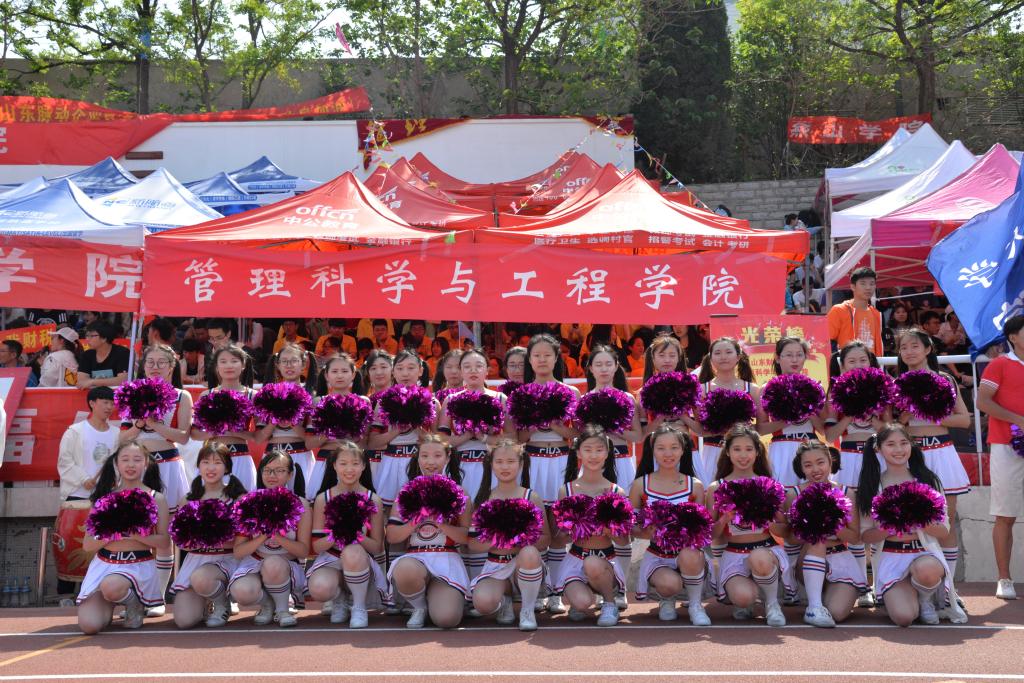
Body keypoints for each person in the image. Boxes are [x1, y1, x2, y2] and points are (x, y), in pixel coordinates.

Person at [856, 424, 964, 626]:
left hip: (924, 554)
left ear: (911, 445)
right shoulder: (871, 485)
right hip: (891, 557)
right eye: (891, 444)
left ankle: (925, 599)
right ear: (878, 448)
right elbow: (865, 536)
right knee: (904, 618)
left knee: (926, 570)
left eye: (904, 443)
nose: (899, 449)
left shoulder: (928, 480)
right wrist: (890, 526)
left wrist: (918, 521)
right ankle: (903, 595)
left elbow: (944, 530)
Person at [896, 328, 970, 605]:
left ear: (928, 349)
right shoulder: (897, 384)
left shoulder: (945, 379)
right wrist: (905, 416)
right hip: (910, 455)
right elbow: (892, 427)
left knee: (945, 523)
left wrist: (930, 413)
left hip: (941, 451)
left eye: (915, 346)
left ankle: (948, 589)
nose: (909, 352)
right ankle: (920, 588)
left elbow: (964, 420)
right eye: (904, 347)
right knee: (910, 523)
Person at [118, 344, 193, 615]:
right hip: (138, 468)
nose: (156, 367)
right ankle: (138, 594)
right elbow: (122, 437)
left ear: (172, 367)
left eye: (162, 362)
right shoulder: (131, 393)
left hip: (169, 465)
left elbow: (183, 436)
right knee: (138, 531)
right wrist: (139, 424)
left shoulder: (181, 395)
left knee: (165, 532)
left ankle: (158, 597)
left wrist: (155, 424)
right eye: (150, 362)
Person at [76, 442, 168, 634]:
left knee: (112, 586)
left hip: (137, 565)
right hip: (104, 565)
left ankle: (134, 603)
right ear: (116, 464)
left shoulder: (156, 497)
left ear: (146, 463)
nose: (131, 465)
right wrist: (113, 532)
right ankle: (113, 602)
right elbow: (87, 545)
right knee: (89, 625)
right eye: (125, 459)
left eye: (137, 459)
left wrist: (136, 535)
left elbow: (164, 542)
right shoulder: (104, 498)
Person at [519, 333, 580, 613]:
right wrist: (535, 422)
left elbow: (576, 434)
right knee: (535, 527)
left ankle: (556, 590)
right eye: (536, 355)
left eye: (547, 355)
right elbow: (518, 436)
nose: (542, 360)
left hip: (561, 461)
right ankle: (540, 587)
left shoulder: (570, 393)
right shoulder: (521, 394)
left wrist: (553, 423)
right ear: (529, 360)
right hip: (532, 461)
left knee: (558, 528)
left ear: (557, 358)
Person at [707, 424, 792, 626]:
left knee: (759, 557)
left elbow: (786, 530)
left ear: (757, 452)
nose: (743, 455)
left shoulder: (770, 485)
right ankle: (749, 597)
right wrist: (724, 519)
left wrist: (769, 521)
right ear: (728, 452)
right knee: (743, 598)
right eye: (737, 449)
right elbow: (709, 534)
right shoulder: (716, 488)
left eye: (748, 449)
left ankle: (772, 603)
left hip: (765, 551)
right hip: (734, 553)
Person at [628, 425, 712, 625]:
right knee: (670, 584)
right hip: (658, 555)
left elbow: (702, 529)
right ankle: (667, 598)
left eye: (674, 447)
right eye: (661, 448)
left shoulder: (695, 485)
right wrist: (646, 533)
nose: (668, 454)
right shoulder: (640, 484)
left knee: (690, 554)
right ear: (652, 450)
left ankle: (695, 604)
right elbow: (630, 526)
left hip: (688, 554)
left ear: (683, 450)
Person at [386, 436, 471, 629]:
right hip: (416, 558)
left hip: (447, 558)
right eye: (424, 456)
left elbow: (467, 538)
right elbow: (391, 536)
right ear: (418, 458)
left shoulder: (459, 492)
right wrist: (417, 519)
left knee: (447, 619)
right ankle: (419, 606)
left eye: (437, 455)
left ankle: (448, 599)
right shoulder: (406, 491)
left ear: (448, 457)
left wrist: (439, 521)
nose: (430, 462)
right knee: (405, 569)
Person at [468, 440, 549, 631]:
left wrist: (519, 540)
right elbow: (472, 544)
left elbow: (546, 539)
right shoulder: (483, 498)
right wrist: (500, 540)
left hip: (525, 564)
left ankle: (527, 610)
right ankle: (505, 600)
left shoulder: (531, 497)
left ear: (520, 464)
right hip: (496, 565)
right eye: (499, 462)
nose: (505, 467)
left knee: (529, 553)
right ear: (491, 464)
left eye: (511, 461)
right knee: (482, 603)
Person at [306, 442, 388, 629]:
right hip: (331, 558)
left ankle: (359, 606)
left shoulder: (373, 499)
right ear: (334, 465)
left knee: (352, 551)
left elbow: (377, 547)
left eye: (355, 463)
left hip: (361, 561)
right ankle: (339, 598)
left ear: (364, 466)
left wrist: (356, 534)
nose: (349, 469)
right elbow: (317, 546)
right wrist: (338, 532)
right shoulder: (323, 498)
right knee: (319, 588)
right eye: (343, 463)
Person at [784, 441, 865, 628]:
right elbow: (791, 538)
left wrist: (831, 524)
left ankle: (820, 599)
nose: (815, 469)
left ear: (830, 461)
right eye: (808, 465)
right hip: (808, 557)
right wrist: (813, 526)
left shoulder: (846, 493)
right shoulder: (794, 494)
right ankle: (814, 607)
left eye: (820, 462)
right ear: (801, 468)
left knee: (837, 613)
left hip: (839, 558)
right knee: (817, 539)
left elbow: (854, 537)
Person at [229, 450, 312, 628]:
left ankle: (282, 609)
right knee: (240, 591)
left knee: (273, 563)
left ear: (290, 474)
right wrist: (263, 536)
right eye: (267, 470)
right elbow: (238, 552)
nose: (272, 475)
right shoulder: (248, 502)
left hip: (285, 566)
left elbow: (303, 551)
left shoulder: (301, 504)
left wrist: (277, 536)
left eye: (279, 470)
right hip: (255, 562)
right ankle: (267, 604)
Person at [553, 426, 626, 627]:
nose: (593, 455)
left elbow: (624, 540)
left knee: (593, 563)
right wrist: (570, 530)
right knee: (582, 603)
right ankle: (585, 597)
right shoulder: (566, 490)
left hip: (605, 560)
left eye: (599, 450)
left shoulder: (616, 491)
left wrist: (610, 531)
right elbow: (558, 538)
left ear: (607, 453)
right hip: (576, 558)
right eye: (588, 449)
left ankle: (609, 602)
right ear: (578, 453)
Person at [171, 443, 248, 629]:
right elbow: (180, 542)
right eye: (205, 462)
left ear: (227, 467)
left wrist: (213, 537)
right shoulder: (188, 500)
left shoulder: (238, 499)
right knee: (184, 621)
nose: (211, 468)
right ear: (198, 465)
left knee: (202, 578)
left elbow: (241, 542)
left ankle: (222, 603)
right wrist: (198, 539)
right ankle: (208, 600)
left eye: (217, 462)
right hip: (196, 560)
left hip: (227, 560)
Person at [977, 314, 1024, 600]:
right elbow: (982, 402)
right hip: (1007, 446)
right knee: (1005, 515)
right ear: (1013, 337)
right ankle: (1004, 579)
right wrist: (1019, 420)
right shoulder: (999, 364)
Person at [683, 337, 760, 485]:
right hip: (713, 451)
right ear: (710, 358)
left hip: (743, 453)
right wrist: (682, 415)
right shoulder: (701, 390)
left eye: (728, 352)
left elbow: (760, 428)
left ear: (738, 357)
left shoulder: (752, 389)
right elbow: (700, 430)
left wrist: (742, 430)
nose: (723, 357)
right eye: (717, 353)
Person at [367, 350, 439, 508]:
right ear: (393, 372)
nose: (405, 373)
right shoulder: (383, 402)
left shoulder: (432, 402)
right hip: (390, 463)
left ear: (421, 370)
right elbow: (372, 443)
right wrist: (396, 431)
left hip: (420, 463)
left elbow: (439, 443)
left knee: (423, 511)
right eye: (400, 368)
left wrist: (415, 427)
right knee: (387, 511)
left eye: (411, 368)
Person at [758, 337, 826, 487]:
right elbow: (760, 429)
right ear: (777, 358)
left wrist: (808, 410)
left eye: (799, 354)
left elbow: (824, 430)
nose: (794, 360)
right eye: (788, 355)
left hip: (811, 448)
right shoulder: (767, 388)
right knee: (783, 495)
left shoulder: (815, 387)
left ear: (805, 357)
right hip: (782, 449)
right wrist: (789, 418)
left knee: (813, 494)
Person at [192, 346, 258, 490]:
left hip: (241, 457)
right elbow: (194, 433)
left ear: (243, 365)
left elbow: (259, 436)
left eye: (234, 361)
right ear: (216, 366)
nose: (229, 365)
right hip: (212, 459)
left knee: (242, 501)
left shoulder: (253, 395)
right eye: (223, 361)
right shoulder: (206, 395)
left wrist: (235, 432)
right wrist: (214, 432)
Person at [305, 355, 371, 500]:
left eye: (344, 371)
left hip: (353, 464)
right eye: (334, 371)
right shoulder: (318, 402)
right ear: (326, 375)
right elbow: (309, 443)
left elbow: (365, 443)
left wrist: (350, 434)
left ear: (353, 374)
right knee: (321, 506)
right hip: (325, 462)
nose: (339, 375)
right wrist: (330, 431)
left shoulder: (363, 402)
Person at [253, 344, 315, 497]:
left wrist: (291, 422)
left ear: (303, 364)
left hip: (301, 456)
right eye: (284, 361)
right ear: (278, 365)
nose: (289, 365)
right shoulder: (267, 395)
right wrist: (274, 421)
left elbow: (311, 441)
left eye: (294, 361)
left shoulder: (312, 397)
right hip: (272, 457)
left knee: (303, 500)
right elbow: (259, 438)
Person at [58, 387, 117, 502]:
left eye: (112, 403)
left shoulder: (116, 433)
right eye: (105, 402)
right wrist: (83, 479)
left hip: (106, 495)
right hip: (77, 494)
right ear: (92, 403)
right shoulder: (75, 431)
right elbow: (64, 461)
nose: (109, 407)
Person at [827, 267, 883, 356]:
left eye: (872, 284)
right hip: (848, 362)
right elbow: (826, 341)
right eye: (863, 283)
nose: (868, 287)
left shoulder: (876, 313)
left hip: (871, 363)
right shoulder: (839, 310)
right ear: (853, 287)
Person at [77, 321, 130, 389]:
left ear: (104, 338)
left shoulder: (122, 353)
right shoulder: (87, 355)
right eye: (87, 336)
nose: (87, 339)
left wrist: (93, 382)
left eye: (92, 336)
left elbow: (123, 380)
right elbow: (82, 381)